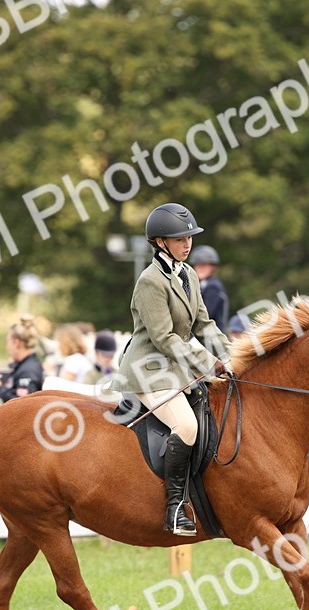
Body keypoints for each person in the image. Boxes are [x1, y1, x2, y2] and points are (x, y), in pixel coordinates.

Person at [115, 202, 232, 535]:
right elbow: (165, 338)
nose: (187, 243)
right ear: (160, 241)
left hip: (177, 369)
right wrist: (208, 364)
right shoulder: (150, 281)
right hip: (149, 370)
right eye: (180, 238)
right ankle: (175, 508)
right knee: (187, 425)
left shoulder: (189, 275)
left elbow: (205, 324)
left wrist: (234, 354)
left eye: (189, 237)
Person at [0, 316, 45, 402]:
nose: (7, 348)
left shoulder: (28, 369)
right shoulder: (24, 365)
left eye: (8, 342)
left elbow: (22, 405)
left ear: (16, 343)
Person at [191, 244, 229, 333]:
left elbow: (205, 315)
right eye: (198, 265)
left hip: (211, 337)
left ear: (213, 267)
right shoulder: (202, 285)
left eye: (204, 265)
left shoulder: (213, 287)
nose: (200, 268)